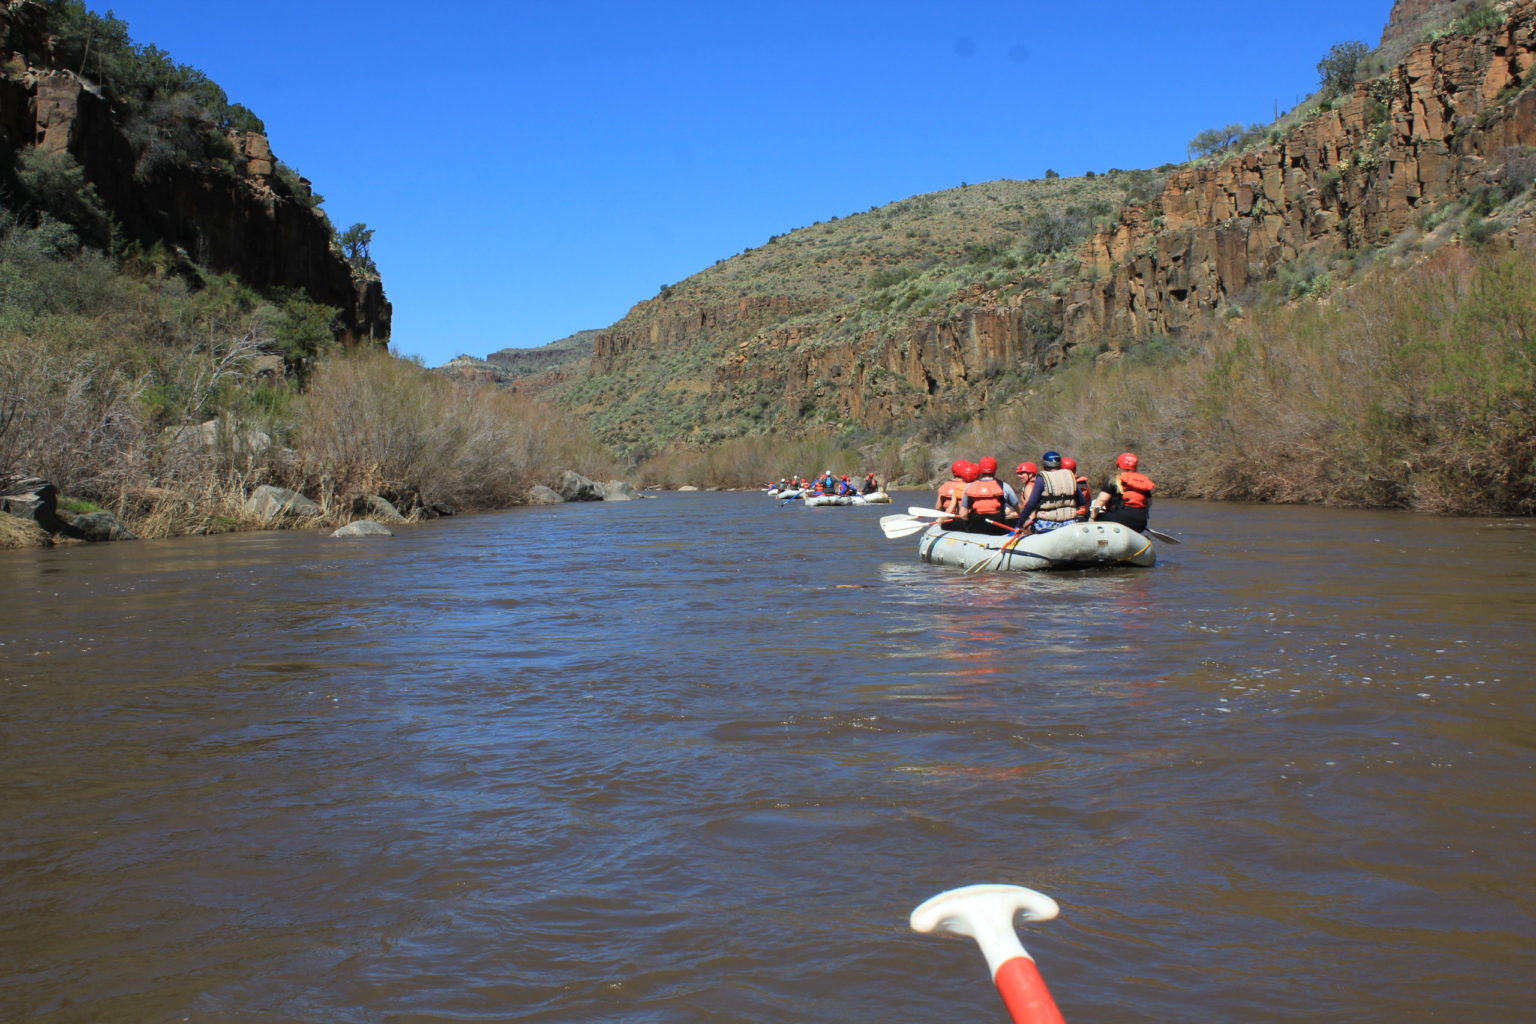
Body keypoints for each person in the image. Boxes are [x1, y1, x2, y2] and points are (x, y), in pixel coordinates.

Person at [1017, 450, 1081, 534]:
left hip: (1047, 524)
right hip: (1070, 523)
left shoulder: (1041, 479)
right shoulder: (1070, 476)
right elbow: (1081, 501)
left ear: (1044, 464)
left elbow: (1030, 504)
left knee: (1025, 532)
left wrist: (1019, 524)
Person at [1090, 451, 1156, 533]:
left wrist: (1092, 518)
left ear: (1118, 465)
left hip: (1118, 521)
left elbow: (1101, 501)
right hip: (1140, 524)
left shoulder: (1114, 480)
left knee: (1094, 517)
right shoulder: (1143, 482)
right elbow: (1149, 504)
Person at [960, 455, 1018, 533]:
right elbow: (1019, 510)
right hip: (997, 529)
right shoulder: (1005, 486)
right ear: (995, 469)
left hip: (975, 528)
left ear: (980, 469)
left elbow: (963, 514)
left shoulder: (969, 487)